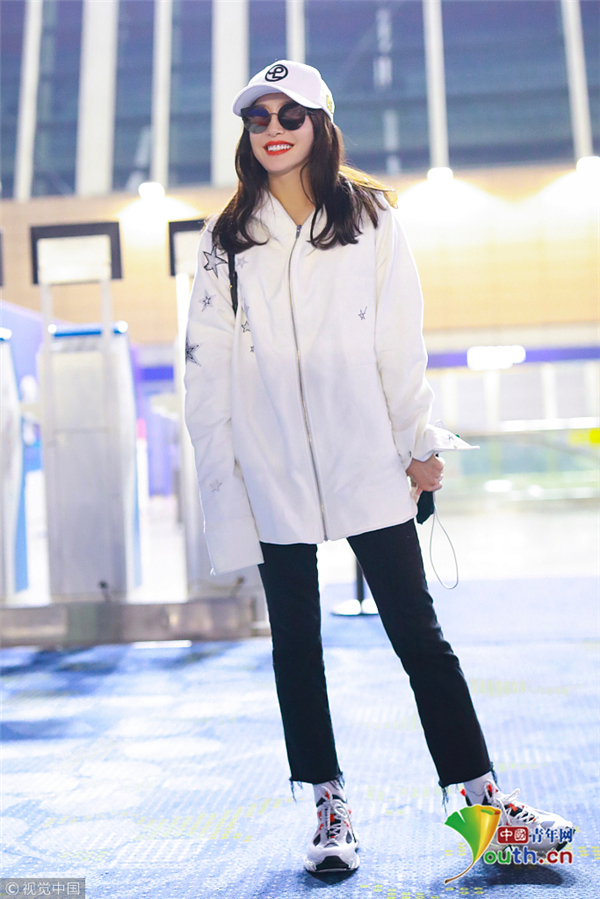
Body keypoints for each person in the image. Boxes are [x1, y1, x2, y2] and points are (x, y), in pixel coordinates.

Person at [184, 60, 572, 875]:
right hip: (272, 472)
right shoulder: (227, 239)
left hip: (365, 462)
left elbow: (399, 344)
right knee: (296, 644)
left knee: (420, 638)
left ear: (321, 123)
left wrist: (418, 444)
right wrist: (224, 486)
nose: (273, 129)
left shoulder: (369, 217)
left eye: (290, 114)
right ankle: (328, 807)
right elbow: (206, 371)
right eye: (258, 118)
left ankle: (483, 809)